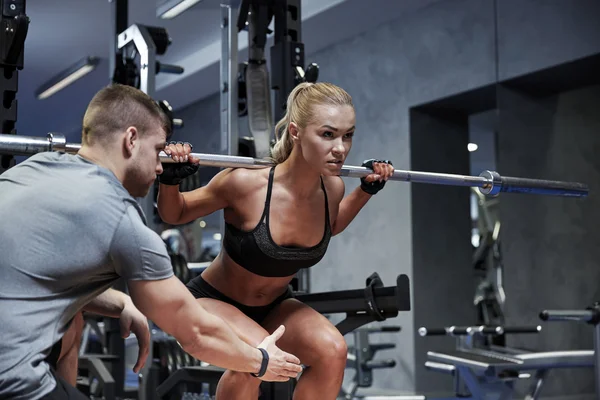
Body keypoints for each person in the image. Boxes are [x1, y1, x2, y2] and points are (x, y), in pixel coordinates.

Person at [0, 83, 302, 400]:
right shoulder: (117, 214)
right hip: (11, 384)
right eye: (157, 151)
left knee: (72, 325)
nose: (160, 166)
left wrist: (123, 302)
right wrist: (262, 361)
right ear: (131, 140)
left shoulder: (30, 171)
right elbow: (195, 332)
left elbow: (33, 282)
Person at [156, 81, 394, 400]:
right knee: (260, 357)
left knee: (333, 350)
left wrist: (365, 191)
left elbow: (331, 225)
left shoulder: (332, 189)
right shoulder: (245, 184)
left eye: (347, 135)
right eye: (327, 134)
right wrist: (170, 180)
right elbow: (176, 213)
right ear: (295, 132)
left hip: (275, 306)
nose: (340, 148)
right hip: (210, 303)